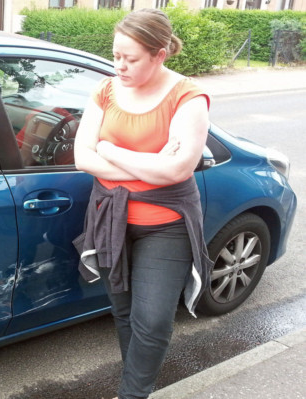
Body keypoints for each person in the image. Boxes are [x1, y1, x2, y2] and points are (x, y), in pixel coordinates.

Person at [72, 8, 214, 399]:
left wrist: (108, 148)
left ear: (159, 55)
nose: (119, 65)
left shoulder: (188, 96)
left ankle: (132, 394)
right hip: (111, 219)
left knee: (151, 320)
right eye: (116, 55)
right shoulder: (105, 90)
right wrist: (149, 165)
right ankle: (133, 384)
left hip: (166, 224)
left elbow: (178, 170)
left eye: (130, 58)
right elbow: (82, 157)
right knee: (122, 313)